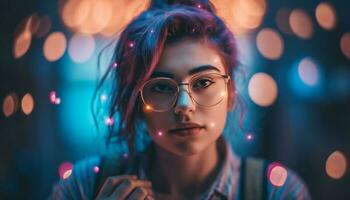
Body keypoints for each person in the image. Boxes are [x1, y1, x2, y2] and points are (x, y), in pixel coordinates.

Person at [50, 0, 311, 199]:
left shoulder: (277, 192)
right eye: (162, 87)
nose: (184, 105)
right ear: (136, 102)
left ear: (230, 93)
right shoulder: (82, 187)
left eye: (204, 82)